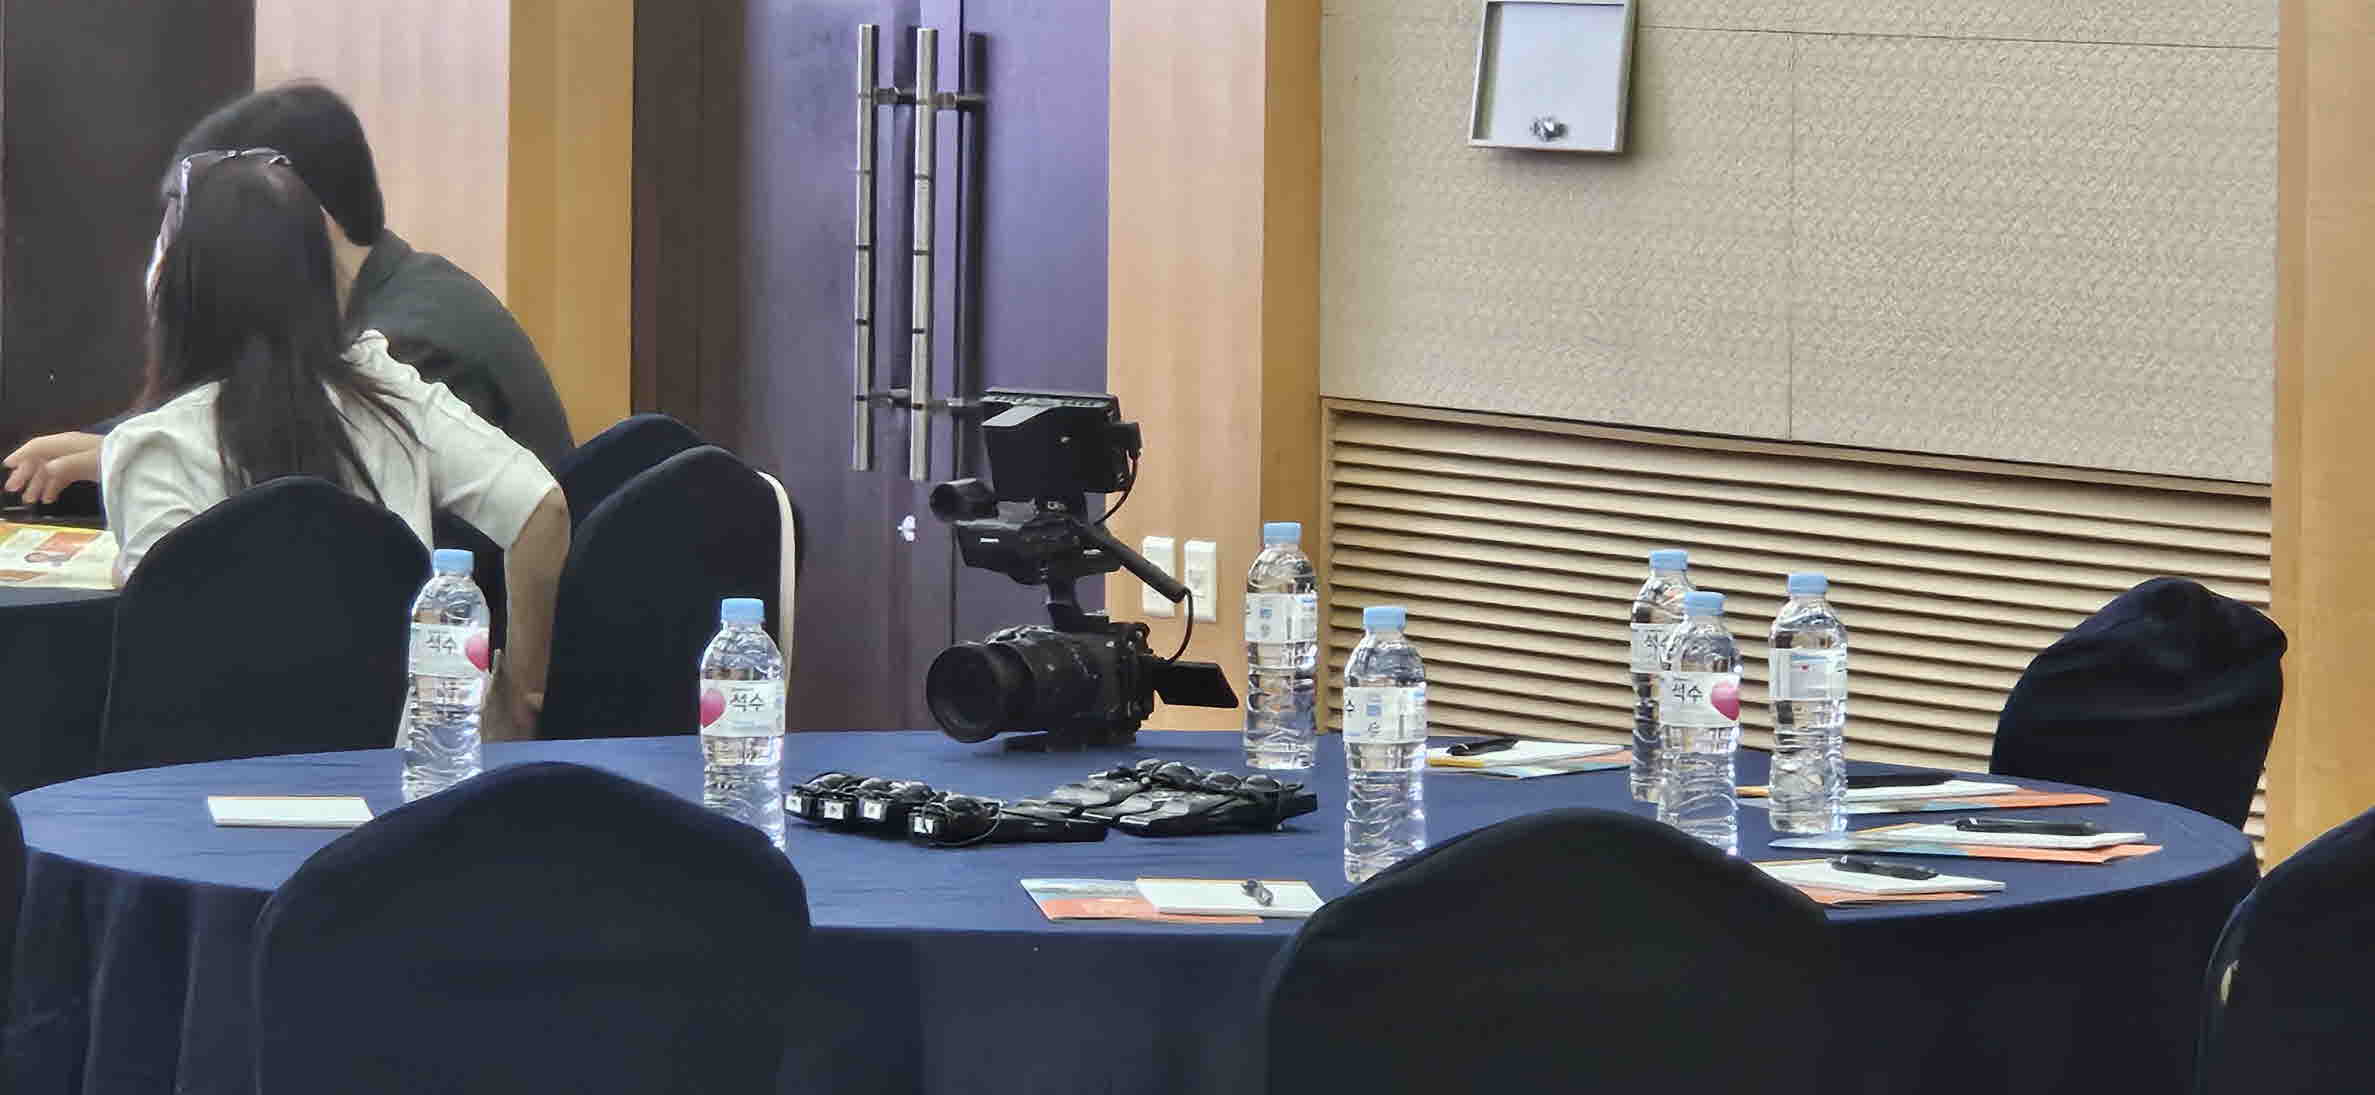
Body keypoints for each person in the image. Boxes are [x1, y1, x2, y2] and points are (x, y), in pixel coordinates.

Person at [102, 149, 567, 737]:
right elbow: (542, 509)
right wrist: (522, 698)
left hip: (228, 782)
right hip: (402, 774)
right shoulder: (391, 393)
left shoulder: (154, 448)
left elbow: (170, 653)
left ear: (173, 289)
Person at [4, 81, 573, 505]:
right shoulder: (386, 294)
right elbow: (234, 417)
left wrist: (123, 455)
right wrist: (113, 443)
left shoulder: (406, 347)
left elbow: (294, 502)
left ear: (294, 208)